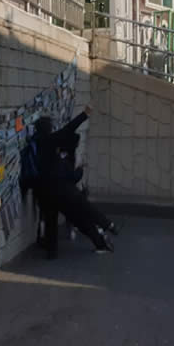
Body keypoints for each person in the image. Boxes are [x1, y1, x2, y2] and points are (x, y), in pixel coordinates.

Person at [34, 106, 117, 259]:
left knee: (52, 222)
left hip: (45, 191)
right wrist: (84, 115)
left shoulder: (37, 143)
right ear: (48, 129)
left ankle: (52, 253)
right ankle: (107, 227)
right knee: (82, 214)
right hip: (61, 191)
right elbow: (68, 128)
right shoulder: (50, 142)